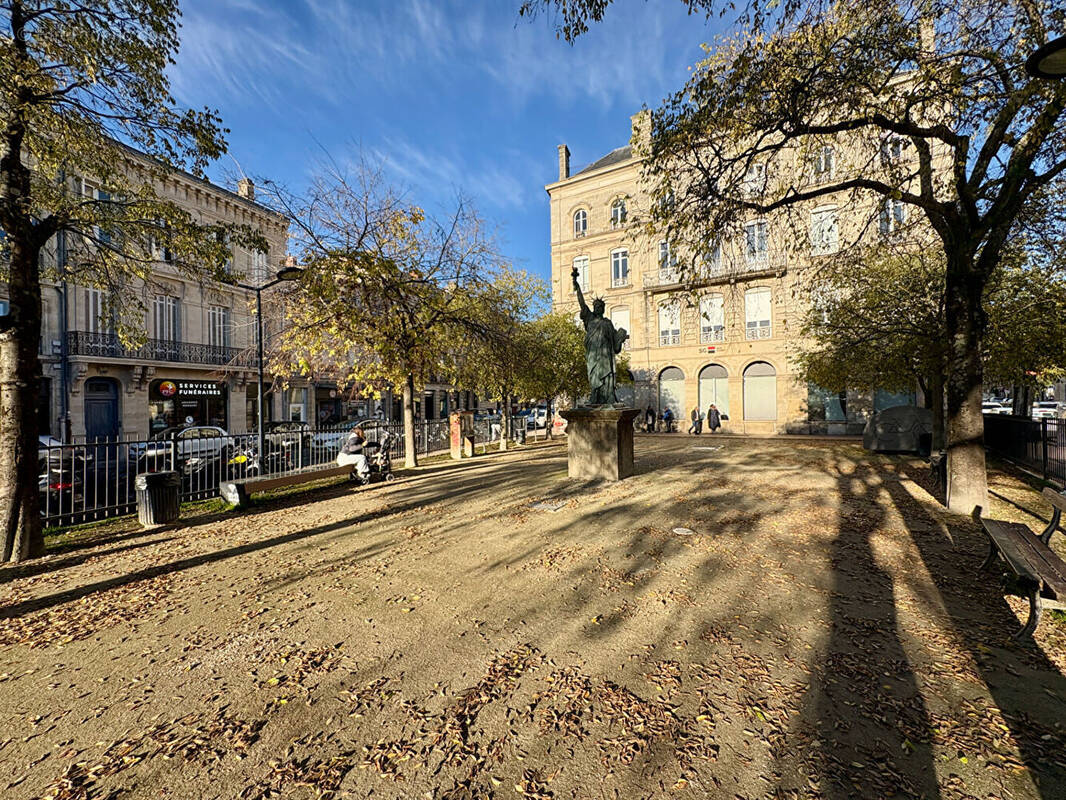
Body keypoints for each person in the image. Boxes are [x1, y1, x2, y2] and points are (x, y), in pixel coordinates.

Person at [572, 266, 629, 404]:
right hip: (593, 354)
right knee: (594, 375)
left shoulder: (608, 323)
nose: (598, 308)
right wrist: (576, 283)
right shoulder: (589, 318)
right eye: (596, 306)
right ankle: (595, 395)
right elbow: (581, 302)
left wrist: (620, 338)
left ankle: (609, 396)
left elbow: (615, 345)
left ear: (603, 309)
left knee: (608, 374)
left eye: (600, 307)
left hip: (605, 355)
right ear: (594, 308)